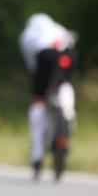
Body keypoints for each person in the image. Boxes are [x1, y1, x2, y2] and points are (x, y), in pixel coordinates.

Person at [18, 14, 76, 179]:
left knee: (38, 100)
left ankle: (37, 151)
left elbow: (33, 66)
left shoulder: (26, 36)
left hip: (45, 56)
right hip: (67, 54)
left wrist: (39, 85)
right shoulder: (58, 28)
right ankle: (68, 114)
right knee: (65, 84)